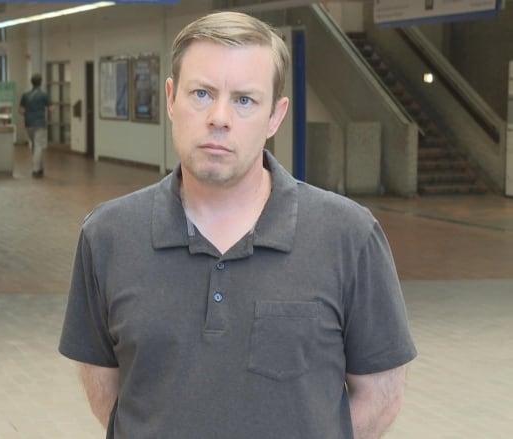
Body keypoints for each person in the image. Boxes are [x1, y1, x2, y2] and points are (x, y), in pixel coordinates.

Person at [59, 11, 416, 439]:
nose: (220, 117)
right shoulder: (109, 236)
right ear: (171, 98)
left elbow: (381, 396)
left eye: (245, 100)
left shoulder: (349, 236)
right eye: (202, 94)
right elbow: (105, 387)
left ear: (275, 116)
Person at [19, 73, 53, 178]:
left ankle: (40, 167)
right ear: (41, 82)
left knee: (35, 145)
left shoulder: (25, 95)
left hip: (28, 124)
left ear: (31, 82)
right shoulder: (43, 95)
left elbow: (20, 110)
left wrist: (28, 114)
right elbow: (51, 108)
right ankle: (35, 169)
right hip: (40, 124)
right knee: (38, 146)